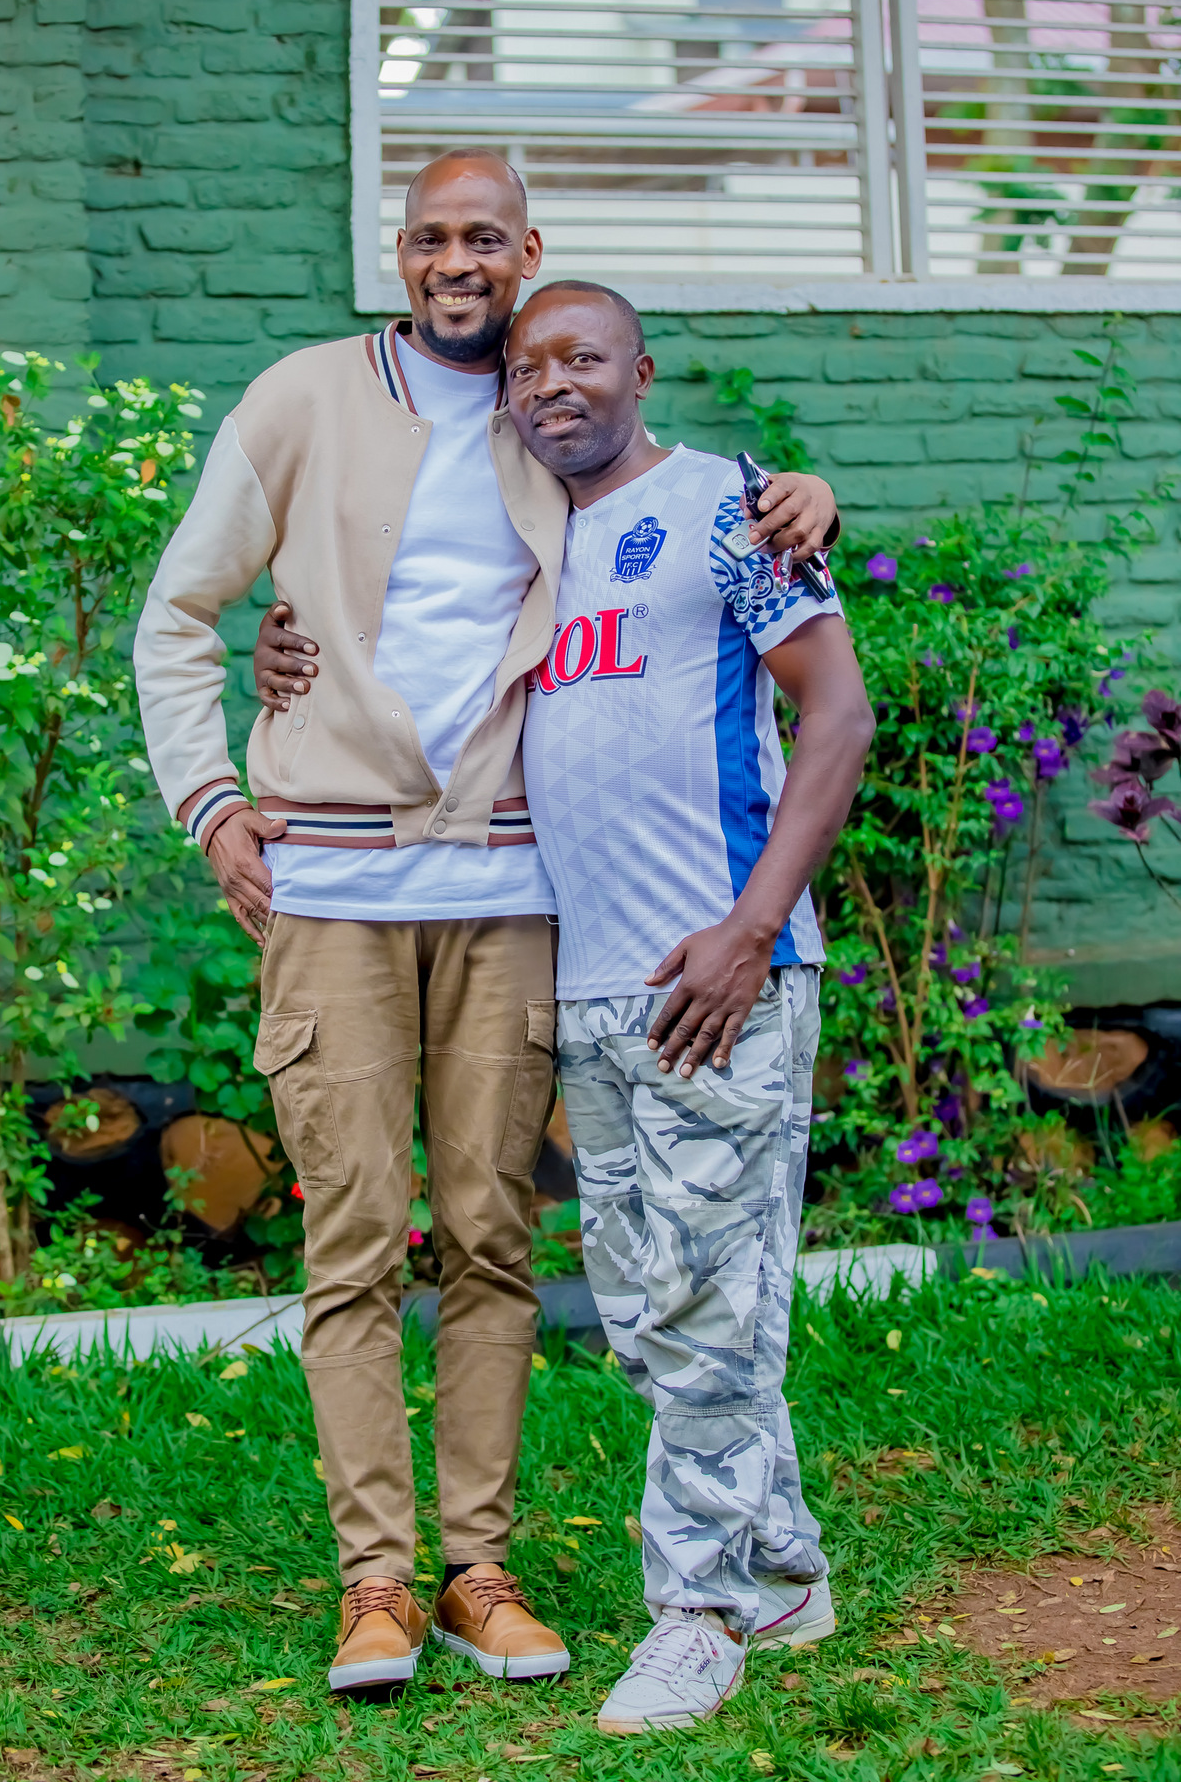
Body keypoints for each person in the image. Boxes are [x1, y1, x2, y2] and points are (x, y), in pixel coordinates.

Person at [139, 146, 840, 1699]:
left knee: (491, 1240)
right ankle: (375, 1584)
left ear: (528, 252)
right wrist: (212, 799)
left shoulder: (551, 420)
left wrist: (799, 499)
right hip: (333, 887)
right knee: (350, 1242)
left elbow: (677, 510)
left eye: (482, 238)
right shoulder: (303, 399)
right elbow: (180, 610)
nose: (454, 262)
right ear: (399, 254)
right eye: (427, 237)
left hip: (517, 899)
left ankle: (479, 1570)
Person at [501, 279, 875, 1734]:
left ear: (640, 370)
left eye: (582, 356)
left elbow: (836, 716)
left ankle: (699, 1615)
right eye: (528, 366)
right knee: (651, 1315)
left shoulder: (729, 504)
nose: (553, 383)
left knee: (714, 1310)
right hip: (592, 988)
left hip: (721, 979)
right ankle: (780, 1569)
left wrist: (751, 931)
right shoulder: (524, 538)